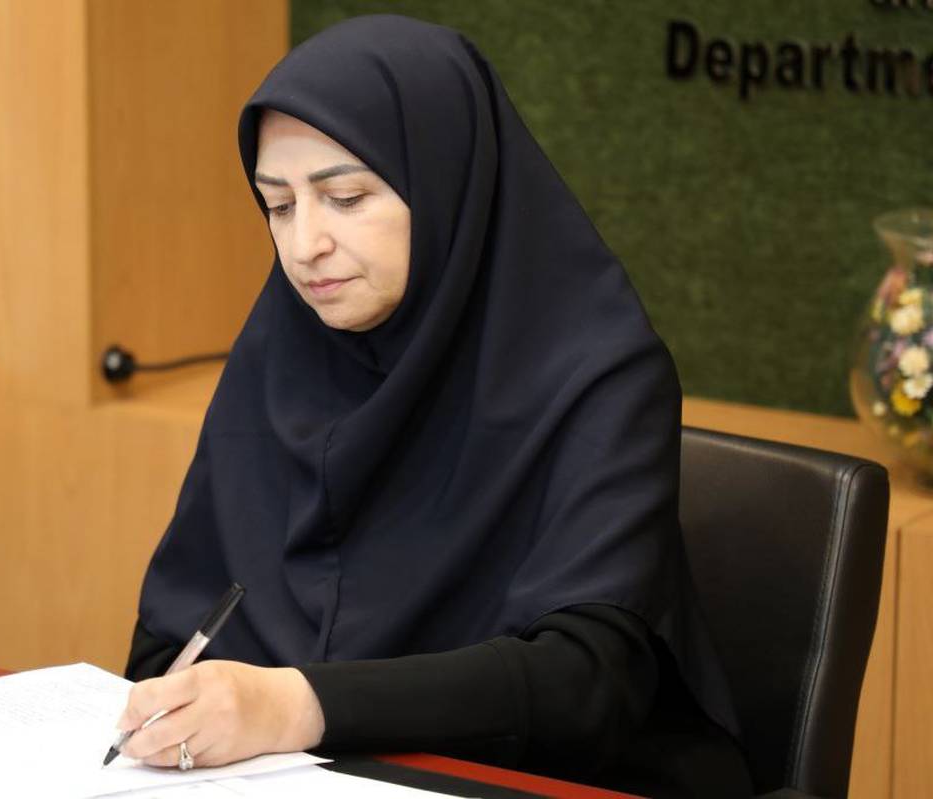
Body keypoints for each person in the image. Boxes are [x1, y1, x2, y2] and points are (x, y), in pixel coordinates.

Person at [117, 15, 753, 798]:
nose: (304, 244)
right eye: (278, 206)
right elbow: (169, 640)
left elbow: (584, 681)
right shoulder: (281, 350)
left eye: (345, 197)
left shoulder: (598, 373)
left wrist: (298, 705)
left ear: (447, 183)